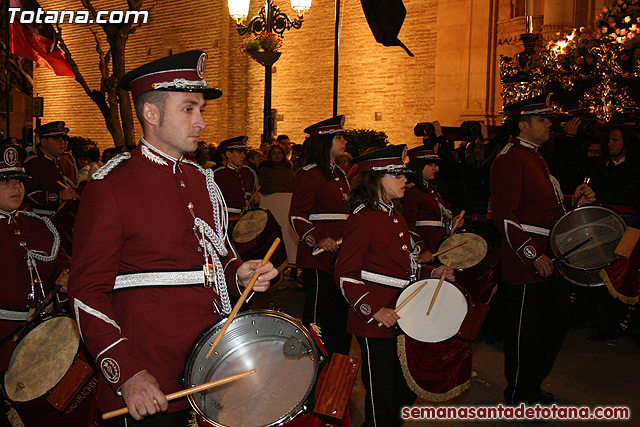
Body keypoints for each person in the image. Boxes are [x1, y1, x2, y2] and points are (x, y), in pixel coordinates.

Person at [68, 50, 278, 426]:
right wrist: (128, 373)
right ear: (151, 114)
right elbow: (86, 291)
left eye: (201, 109)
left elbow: (217, 259)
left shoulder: (202, 180)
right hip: (151, 381)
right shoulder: (111, 187)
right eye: (188, 109)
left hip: (214, 368)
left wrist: (240, 274)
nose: (200, 121)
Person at [334, 144, 454, 427]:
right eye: (397, 174)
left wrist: (432, 271)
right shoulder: (363, 219)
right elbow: (344, 273)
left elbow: (403, 265)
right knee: (380, 391)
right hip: (374, 320)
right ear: (377, 178)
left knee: (406, 383)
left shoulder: (394, 216)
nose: (405, 180)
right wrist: (373, 310)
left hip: (401, 312)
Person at [490, 93, 596, 406]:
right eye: (542, 119)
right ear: (523, 126)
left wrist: (573, 200)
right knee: (526, 331)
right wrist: (532, 255)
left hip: (551, 254)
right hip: (528, 260)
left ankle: (532, 384)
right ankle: (521, 392)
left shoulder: (536, 155)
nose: (549, 124)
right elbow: (504, 215)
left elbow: (542, 207)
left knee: (556, 320)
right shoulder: (511, 157)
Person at [0, 145, 99, 426]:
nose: (15, 187)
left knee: (73, 406)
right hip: (6, 342)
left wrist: (68, 276)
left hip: (53, 336)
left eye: (17, 180)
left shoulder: (39, 226)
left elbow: (63, 265)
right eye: (5, 181)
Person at [289, 115, 352, 356]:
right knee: (318, 317)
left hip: (342, 257)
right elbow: (297, 216)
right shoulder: (309, 174)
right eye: (339, 137)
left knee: (340, 316)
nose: (344, 141)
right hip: (319, 257)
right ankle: (313, 364)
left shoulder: (341, 175)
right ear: (324, 143)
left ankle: (337, 367)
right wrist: (317, 240)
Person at [403, 146, 463, 263]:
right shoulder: (412, 192)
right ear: (419, 166)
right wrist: (422, 249)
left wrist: (453, 223)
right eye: (431, 165)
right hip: (429, 251)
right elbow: (408, 226)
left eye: (435, 165)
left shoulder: (431, 191)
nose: (435, 168)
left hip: (439, 249)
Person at [23, 121, 79, 216]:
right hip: (42, 218)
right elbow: (29, 194)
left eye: (63, 138)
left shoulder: (65, 162)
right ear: (44, 142)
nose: (61, 142)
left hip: (64, 217)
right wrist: (58, 196)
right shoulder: (33, 164)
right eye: (55, 138)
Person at [212, 136, 261, 215]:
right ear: (228, 154)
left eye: (244, 152)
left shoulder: (250, 173)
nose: (244, 156)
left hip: (248, 218)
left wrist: (255, 202)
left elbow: (252, 200)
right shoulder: (217, 175)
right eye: (239, 152)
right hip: (228, 218)